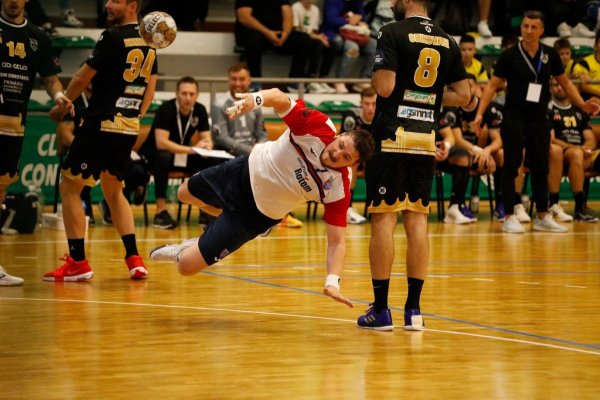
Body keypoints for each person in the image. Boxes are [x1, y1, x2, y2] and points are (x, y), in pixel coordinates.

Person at [149, 88, 375, 308]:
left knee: (186, 266)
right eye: (341, 145)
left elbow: (337, 241)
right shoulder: (318, 126)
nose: (337, 154)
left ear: (353, 165)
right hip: (243, 172)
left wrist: (332, 281)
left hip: (255, 216)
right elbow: (279, 98)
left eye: (346, 156)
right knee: (184, 193)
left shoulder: (338, 188)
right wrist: (255, 99)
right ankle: (216, 230)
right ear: (340, 135)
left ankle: (186, 249)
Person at [358, 0, 470, 331]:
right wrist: (429, 96)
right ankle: (415, 311)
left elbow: (385, 87)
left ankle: (381, 310)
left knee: (383, 220)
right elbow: (463, 95)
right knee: (417, 222)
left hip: (391, 137)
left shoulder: (391, 31)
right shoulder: (447, 39)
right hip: (424, 140)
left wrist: (400, 88)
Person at [44, 0, 157, 282]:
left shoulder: (112, 36)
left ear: (133, 4)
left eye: (116, 0)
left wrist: (63, 104)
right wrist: (133, 115)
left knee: (69, 187)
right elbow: (150, 91)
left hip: (100, 124)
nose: (107, 4)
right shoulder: (148, 41)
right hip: (128, 126)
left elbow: (83, 76)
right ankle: (134, 259)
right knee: (114, 189)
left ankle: (77, 262)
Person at [474, 10, 599, 234]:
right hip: (513, 118)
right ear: (521, 28)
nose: (528, 30)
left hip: (540, 119)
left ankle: (542, 215)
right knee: (512, 166)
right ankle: (510, 216)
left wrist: (582, 104)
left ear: (541, 30)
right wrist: (480, 114)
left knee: (542, 167)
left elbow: (567, 84)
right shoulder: (509, 55)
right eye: (525, 26)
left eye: (533, 27)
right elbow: (492, 86)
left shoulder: (550, 54)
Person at [0, 0, 71, 286]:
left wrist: (59, 97)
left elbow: (51, 79)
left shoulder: (37, 37)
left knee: (2, 188)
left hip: (14, 125)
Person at [211, 63, 303, 229]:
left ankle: (279, 214)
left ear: (249, 80)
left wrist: (262, 145)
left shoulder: (255, 101)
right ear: (228, 80)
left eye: (242, 79)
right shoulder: (219, 103)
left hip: (254, 151)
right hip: (230, 152)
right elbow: (222, 138)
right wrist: (251, 150)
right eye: (234, 79)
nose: (238, 83)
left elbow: (261, 132)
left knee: (279, 165)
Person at [138, 76, 214, 229]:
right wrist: (193, 149)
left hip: (180, 154)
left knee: (208, 160)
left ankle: (205, 209)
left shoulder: (200, 109)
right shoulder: (166, 108)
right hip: (154, 155)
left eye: (191, 94)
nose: (188, 98)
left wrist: (207, 147)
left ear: (197, 95)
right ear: (177, 94)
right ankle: (160, 211)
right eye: (184, 93)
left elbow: (207, 139)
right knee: (164, 156)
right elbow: (161, 143)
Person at [234, 0, 317, 92]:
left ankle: (294, 82)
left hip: (278, 34)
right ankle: (255, 81)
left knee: (304, 40)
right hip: (253, 33)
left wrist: (285, 34)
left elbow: (288, 14)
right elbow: (244, 18)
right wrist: (268, 33)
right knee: (254, 39)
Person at [548, 78, 600, 222]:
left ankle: (581, 208)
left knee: (581, 154)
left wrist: (585, 149)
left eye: (562, 85)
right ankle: (580, 207)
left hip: (582, 153)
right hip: (560, 153)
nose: (559, 88)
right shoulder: (549, 109)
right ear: (551, 88)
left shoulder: (580, 111)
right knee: (575, 153)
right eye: (555, 85)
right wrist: (577, 148)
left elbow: (590, 139)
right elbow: (551, 139)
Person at [321, 0, 375, 93]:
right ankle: (340, 80)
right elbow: (331, 20)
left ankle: (363, 79)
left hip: (355, 33)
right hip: (336, 33)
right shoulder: (331, 1)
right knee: (353, 48)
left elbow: (362, 18)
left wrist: (361, 22)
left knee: (375, 46)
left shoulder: (358, 2)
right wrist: (348, 21)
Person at [340, 86, 376, 224]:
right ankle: (347, 208)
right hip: (351, 156)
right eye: (367, 104)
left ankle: (380, 206)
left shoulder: (382, 117)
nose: (370, 108)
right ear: (361, 103)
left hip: (373, 157)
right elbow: (343, 143)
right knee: (351, 163)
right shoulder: (351, 117)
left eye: (374, 103)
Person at [291, 0, 336, 94]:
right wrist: (316, 37)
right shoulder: (296, 7)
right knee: (315, 44)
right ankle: (310, 79)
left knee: (331, 45)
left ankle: (322, 79)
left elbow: (315, 29)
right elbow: (296, 28)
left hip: (311, 36)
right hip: (298, 37)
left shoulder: (315, 9)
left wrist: (321, 37)